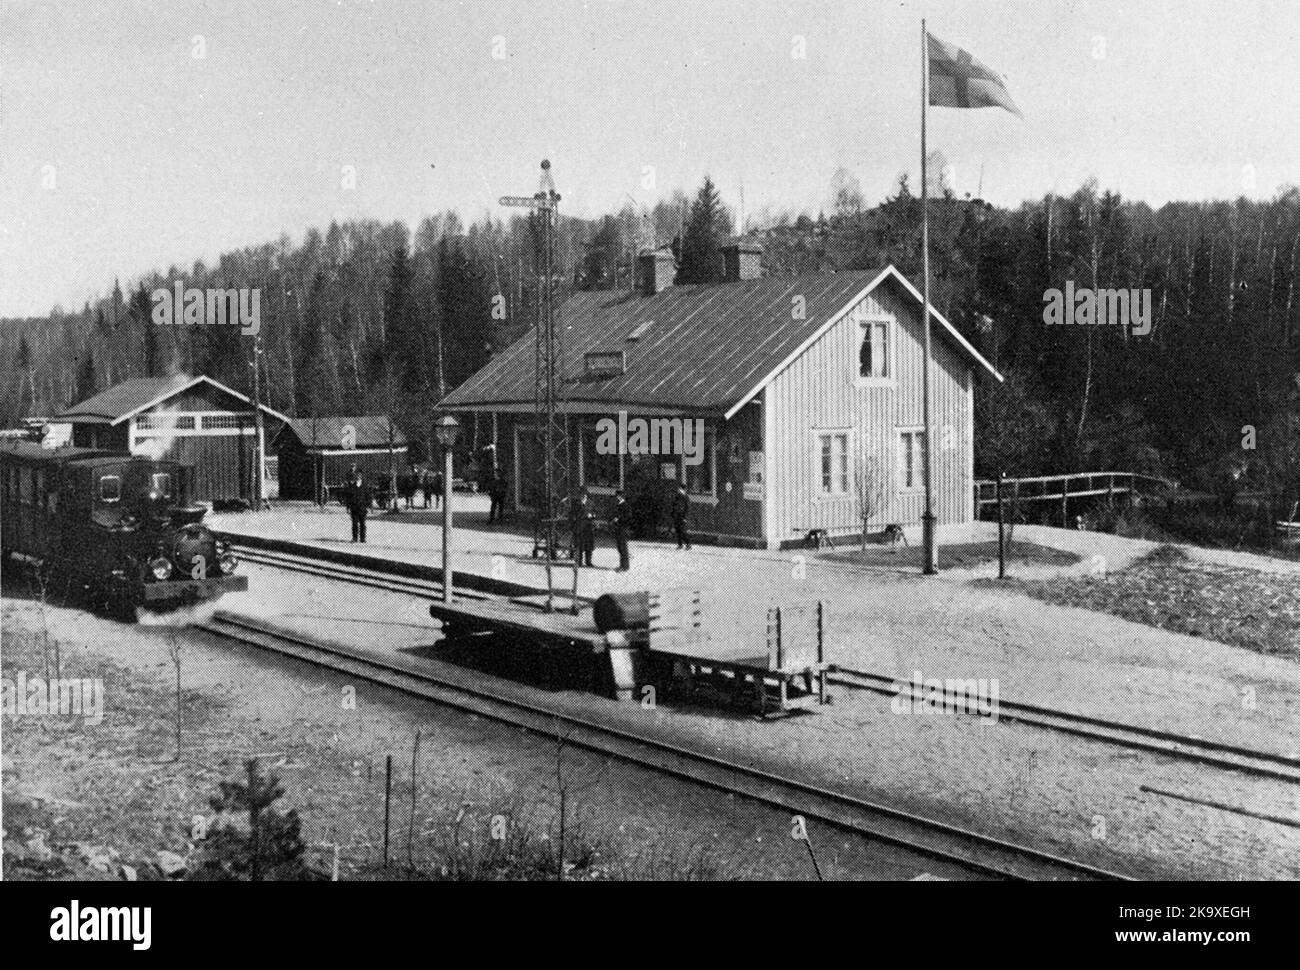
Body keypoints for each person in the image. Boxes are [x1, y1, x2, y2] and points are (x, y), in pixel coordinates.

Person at [342, 468, 372, 543]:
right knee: (354, 523)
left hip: (362, 507)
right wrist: (348, 507)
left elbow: (368, 496)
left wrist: (369, 506)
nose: (358, 476)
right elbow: (349, 497)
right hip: (354, 507)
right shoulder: (352, 485)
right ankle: (355, 538)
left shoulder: (365, 485)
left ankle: (363, 538)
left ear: (361, 476)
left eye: (359, 475)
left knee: (363, 523)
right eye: (356, 475)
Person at [571, 489, 595, 567]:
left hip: (588, 527)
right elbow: (572, 514)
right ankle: (578, 562)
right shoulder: (576, 503)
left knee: (589, 545)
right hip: (579, 526)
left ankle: (588, 562)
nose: (583, 496)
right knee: (579, 545)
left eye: (585, 494)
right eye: (582, 494)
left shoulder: (591, 503)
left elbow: (595, 512)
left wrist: (592, 515)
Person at [611, 490, 631, 572]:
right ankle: (621, 565)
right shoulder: (618, 505)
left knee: (623, 547)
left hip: (623, 528)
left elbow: (628, 517)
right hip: (618, 528)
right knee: (619, 547)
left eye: (617, 496)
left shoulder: (626, 505)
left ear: (620, 496)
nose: (616, 497)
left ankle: (625, 566)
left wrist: (619, 519)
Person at [671, 483, 691, 550]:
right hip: (678, 515)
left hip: (681, 515)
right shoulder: (679, 496)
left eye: (680, 489)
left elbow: (687, 507)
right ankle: (680, 544)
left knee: (682, 531)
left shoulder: (684, 497)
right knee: (678, 530)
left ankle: (687, 544)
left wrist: (685, 517)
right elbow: (674, 506)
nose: (679, 490)